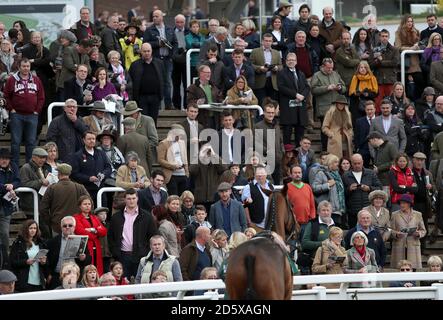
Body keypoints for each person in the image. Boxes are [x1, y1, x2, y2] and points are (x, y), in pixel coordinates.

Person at [108, 189, 158, 279]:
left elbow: (153, 235)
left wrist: (146, 252)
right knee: (122, 283)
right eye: (129, 198)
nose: (131, 201)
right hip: (122, 256)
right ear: (125, 199)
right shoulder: (116, 217)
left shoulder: (147, 217)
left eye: (133, 198)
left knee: (141, 283)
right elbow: (111, 237)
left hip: (141, 256)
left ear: (137, 199)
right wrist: (115, 252)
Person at [3, 58, 44, 166]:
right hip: (17, 115)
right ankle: (15, 167)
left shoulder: (36, 80)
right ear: (19, 67)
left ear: (30, 67)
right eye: (24, 66)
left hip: (32, 115)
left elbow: (41, 97)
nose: (26, 68)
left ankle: (30, 167)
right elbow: (6, 95)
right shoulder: (12, 79)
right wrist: (11, 109)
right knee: (15, 142)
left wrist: (37, 111)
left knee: (31, 142)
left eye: (28, 66)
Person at [40, 163, 89, 235]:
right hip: (76, 225)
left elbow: (43, 208)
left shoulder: (52, 188)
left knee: (59, 245)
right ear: (69, 174)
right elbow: (90, 204)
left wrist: (50, 222)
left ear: (59, 173)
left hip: (57, 226)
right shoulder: (79, 187)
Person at [143, 9, 178, 110]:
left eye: (156, 16)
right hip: (155, 60)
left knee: (167, 82)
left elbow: (175, 43)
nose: (154, 18)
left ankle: (168, 105)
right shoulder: (149, 30)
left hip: (167, 59)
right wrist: (157, 44)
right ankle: (156, 105)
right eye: (153, 16)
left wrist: (173, 55)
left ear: (162, 17)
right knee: (156, 82)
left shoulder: (169, 29)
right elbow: (145, 44)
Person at [45, 216, 91, 289]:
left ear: (74, 227)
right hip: (58, 277)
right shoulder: (52, 242)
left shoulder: (81, 240)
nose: (67, 227)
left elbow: (89, 259)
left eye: (70, 225)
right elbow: (47, 260)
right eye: (64, 226)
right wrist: (48, 274)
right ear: (61, 227)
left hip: (75, 277)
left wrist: (83, 258)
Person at [311, 58, 347, 150]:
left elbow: (344, 88)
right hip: (323, 109)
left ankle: (335, 149)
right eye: (328, 68)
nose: (330, 70)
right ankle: (325, 150)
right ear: (323, 67)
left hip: (336, 108)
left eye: (332, 68)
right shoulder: (317, 75)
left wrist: (340, 88)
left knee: (336, 129)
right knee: (325, 130)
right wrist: (327, 88)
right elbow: (313, 90)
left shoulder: (335, 74)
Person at [277, 52, 310, 146]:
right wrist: (295, 95)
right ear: (286, 61)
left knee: (300, 132)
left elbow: (307, 87)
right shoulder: (281, 73)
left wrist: (302, 95)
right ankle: (287, 153)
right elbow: (281, 87)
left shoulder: (301, 73)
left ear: (296, 62)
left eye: (293, 60)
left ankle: (299, 152)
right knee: (287, 132)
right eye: (289, 60)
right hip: (288, 107)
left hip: (300, 107)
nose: (291, 62)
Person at [70, 130, 112, 203]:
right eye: (89, 139)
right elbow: (74, 174)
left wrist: (103, 175)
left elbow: (108, 167)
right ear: (84, 140)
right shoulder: (78, 155)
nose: (92, 141)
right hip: (85, 191)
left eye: (93, 139)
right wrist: (88, 178)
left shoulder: (101, 153)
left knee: (102, 213)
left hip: (100, 190)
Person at [342, 153, 382, 229]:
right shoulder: (346, 175)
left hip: (368, 209)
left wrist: (369, 188)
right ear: (351, 163)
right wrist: (349, 189)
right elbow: (341, 193)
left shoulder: (370, 173)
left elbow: (379, 188)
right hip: (353, 211)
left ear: (362, 162)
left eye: (359, 163)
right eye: (355, 163)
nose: (357, 165)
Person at [129, 42, 164, 124]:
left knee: (153, 121)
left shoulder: (159, 63)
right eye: (144, 51)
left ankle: (153, 137)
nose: (146, 53)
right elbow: (131, 81)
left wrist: (161, 95)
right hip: (141, 98)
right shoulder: (135, 65)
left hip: (155, 97)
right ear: (141, 52)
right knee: (143, 122)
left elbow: (163, 79)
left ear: (151, 51)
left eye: (148, 51)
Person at [390, 194, 426, 270]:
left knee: (413, 268)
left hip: (413, 245)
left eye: (404, 203)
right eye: (401, 203)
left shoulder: (418, 215)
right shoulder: (395, 215)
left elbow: (423, 230)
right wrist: (396, 234)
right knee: (400, 269)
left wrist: (418, 233)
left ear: (409, 204)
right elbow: (390, 230)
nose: (402, 205)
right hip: (399, 245)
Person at [9, 220, 47, 292]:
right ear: (26, 229)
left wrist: (43, 262)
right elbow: (12, 262)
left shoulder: (41, 242)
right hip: (25, 280)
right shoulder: (18, 243)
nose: (33, 230)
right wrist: (25, 262)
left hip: (39, 280)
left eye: (35, 228)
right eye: (31, 228)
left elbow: (46, 264)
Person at [73, 195, 107, 275]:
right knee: (87, 271)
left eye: (89, 204)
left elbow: (104, 231)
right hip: (86, 247)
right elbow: (81, 232)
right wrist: (96, 232)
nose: (87, 206)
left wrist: (93, 230)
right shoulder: (76, 218)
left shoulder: (94, 217)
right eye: (85, 204)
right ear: (80, 206)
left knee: (97, 271)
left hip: (97, 248)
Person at [299, 200, 335, 275]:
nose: (326, 213)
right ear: (318, 212)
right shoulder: (312, 224)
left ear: (331, 212)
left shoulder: (336, 225)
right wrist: (322, 243)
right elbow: (304, 243)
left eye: (328, 210)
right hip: (316, 264)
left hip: (333, 265)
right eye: (323, 210)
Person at [254, 99, 284, 184]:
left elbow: (281, 140)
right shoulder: (258, 126)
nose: (271, 114)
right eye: (268, 112)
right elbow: (256, 143)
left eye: (272, 112)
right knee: (266, 185)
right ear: (264, 113)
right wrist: (266, 151)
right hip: (265, 161)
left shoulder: (277, 125)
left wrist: (282, 152)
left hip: (277, 160)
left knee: (277, 185)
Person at [311, 154, 346, 226]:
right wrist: (327, 185)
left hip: (338, 210)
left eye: (338, 162)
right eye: (335, 162)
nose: (338, 164)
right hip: (329, 209)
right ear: (330, 163)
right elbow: (314, 188)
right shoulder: (321, 173)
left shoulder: (337, 175)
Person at [394, 15, 423, 100]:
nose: (410, 23)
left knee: (420, 81)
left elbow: (419, 42)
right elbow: (398, 47)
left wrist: (414, 36)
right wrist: (410, 49)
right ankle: (405, 101)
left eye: (411, 21)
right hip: (404, 59)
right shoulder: (398, 32)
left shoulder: (416, 31)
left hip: (415, 60)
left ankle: (418, 100)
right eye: (408, 21)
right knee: (404, 83)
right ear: (404, 23)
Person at [0, 148, 20, 268]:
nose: (4, 161)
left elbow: (18, 180)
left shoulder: (14, 167)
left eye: (6, 159)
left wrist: (13, 185)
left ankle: (5, 262)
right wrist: (5, 187)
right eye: (2, 158)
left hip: (6, 207)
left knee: (5, 235)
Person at [186, 64, 223, 129]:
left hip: (214, 118)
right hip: (201, 119)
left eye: (210, 72)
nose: (209, 74)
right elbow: (189, 101)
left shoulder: (214, 87)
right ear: (201, 73)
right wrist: (197, 102)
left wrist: (223, 102)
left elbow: (219, 98)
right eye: (207, 72)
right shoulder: (193, 87)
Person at [249, 33, 282, 105]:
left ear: (272, 42)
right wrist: (260, 68)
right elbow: (250, 65)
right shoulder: (255, 51)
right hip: (260, 82)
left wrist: (277, 68)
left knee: (273, 104)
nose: (268, 43)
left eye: (270, 41)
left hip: (273, 82)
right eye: (266, 41)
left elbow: (281, 66)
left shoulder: (276, 53)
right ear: (262, 41)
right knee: (261, 104)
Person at [371, 29, 400, 111]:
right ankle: (376, 119)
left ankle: (393, 119)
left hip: (390, 79)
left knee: (392, 102)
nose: (384, 38)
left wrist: (381, 62)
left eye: (386, 36)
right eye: (383, 36)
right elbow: (371, 65)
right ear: (379, 37)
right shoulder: (374, 49)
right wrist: (377, 62)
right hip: (378, 79)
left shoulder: (394, 49)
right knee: (377, 103)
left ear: (389, 37)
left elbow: (395, 63)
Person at [157, 124, 189, 196]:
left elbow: (184, 157)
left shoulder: (182, 143)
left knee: (183, 196)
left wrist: (186, 171)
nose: (179, 137)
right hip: (171, 175)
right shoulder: (164, 143)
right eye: (177, 135)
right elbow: (160, 160)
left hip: (182, 174)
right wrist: (172, 165)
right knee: (173, 196)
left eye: (181, 135)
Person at [19, 147, 50, 219]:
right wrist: (40, 182)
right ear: (33, 157)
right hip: (30, 206)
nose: (43, 160)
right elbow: (23, 184)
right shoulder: (25, 168)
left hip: (42, 205)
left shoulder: (45, 168)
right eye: (40, 157)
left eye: (44, 158)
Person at [241, 166, 274, 232]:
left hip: (270, 224)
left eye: (262, 174)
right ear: (255, 175)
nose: (260, 176)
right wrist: (249, 222)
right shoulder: (248, 187)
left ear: (266, 174)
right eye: (258, 174)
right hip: (255, 225)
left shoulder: (271, 186)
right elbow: (245, 206)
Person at [322, 95, 353, 159]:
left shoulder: (348, 113)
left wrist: (350, 134)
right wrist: (331, 134)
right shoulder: (330, 113)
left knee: (346, 158)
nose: (341, 105)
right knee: (335, 159)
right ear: (336, 103)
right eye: (340, 103)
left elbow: (350, 126)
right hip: (335, 140)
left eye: (343, 104)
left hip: (346, 140)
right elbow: (324, 127)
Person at [287, 165, 316, 232]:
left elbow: (312, 205)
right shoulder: (287, 188)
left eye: (299, 172)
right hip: (293, 223)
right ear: (291, 174)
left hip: (307, 222)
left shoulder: (307, 187)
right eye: (295, 173)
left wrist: (313, 217)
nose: (297, 174)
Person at [354, 101, 376, 167]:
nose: (369, 111)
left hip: (377, 149)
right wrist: (358, 148)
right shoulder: (359, 121)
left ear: (375, 109)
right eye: (368, 110)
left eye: (371, 109)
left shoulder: (379, 120)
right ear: (365, 110)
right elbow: (356, 136)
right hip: (363, 149)